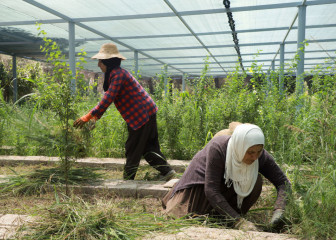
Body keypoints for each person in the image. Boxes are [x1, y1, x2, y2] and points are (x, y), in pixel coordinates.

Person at [73, 42, 175, 181]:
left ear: (107, 62)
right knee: (148, 147)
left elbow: (108, 97)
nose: (98, 65)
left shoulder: (118, 75)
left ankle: (128, 180)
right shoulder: (115, 74)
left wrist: (89, 115)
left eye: (100, 61)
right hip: (145, 112)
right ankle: (167, 172)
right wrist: (95, 117)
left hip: (141, 114)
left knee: (132, 147)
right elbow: (110, 97)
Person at [162, 123, 291, 231]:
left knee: (256, 181)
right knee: (192, 217)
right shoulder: (218, 148)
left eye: (258, 152)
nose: (254, 157)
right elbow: (211, 190)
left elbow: (283, 182)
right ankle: (230, 218)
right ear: (240, 147)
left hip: (225, 189)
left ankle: (226, 217)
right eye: (250, 152)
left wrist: (279, 210)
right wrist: (238, 222)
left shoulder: (260, 155)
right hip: (199, 191)